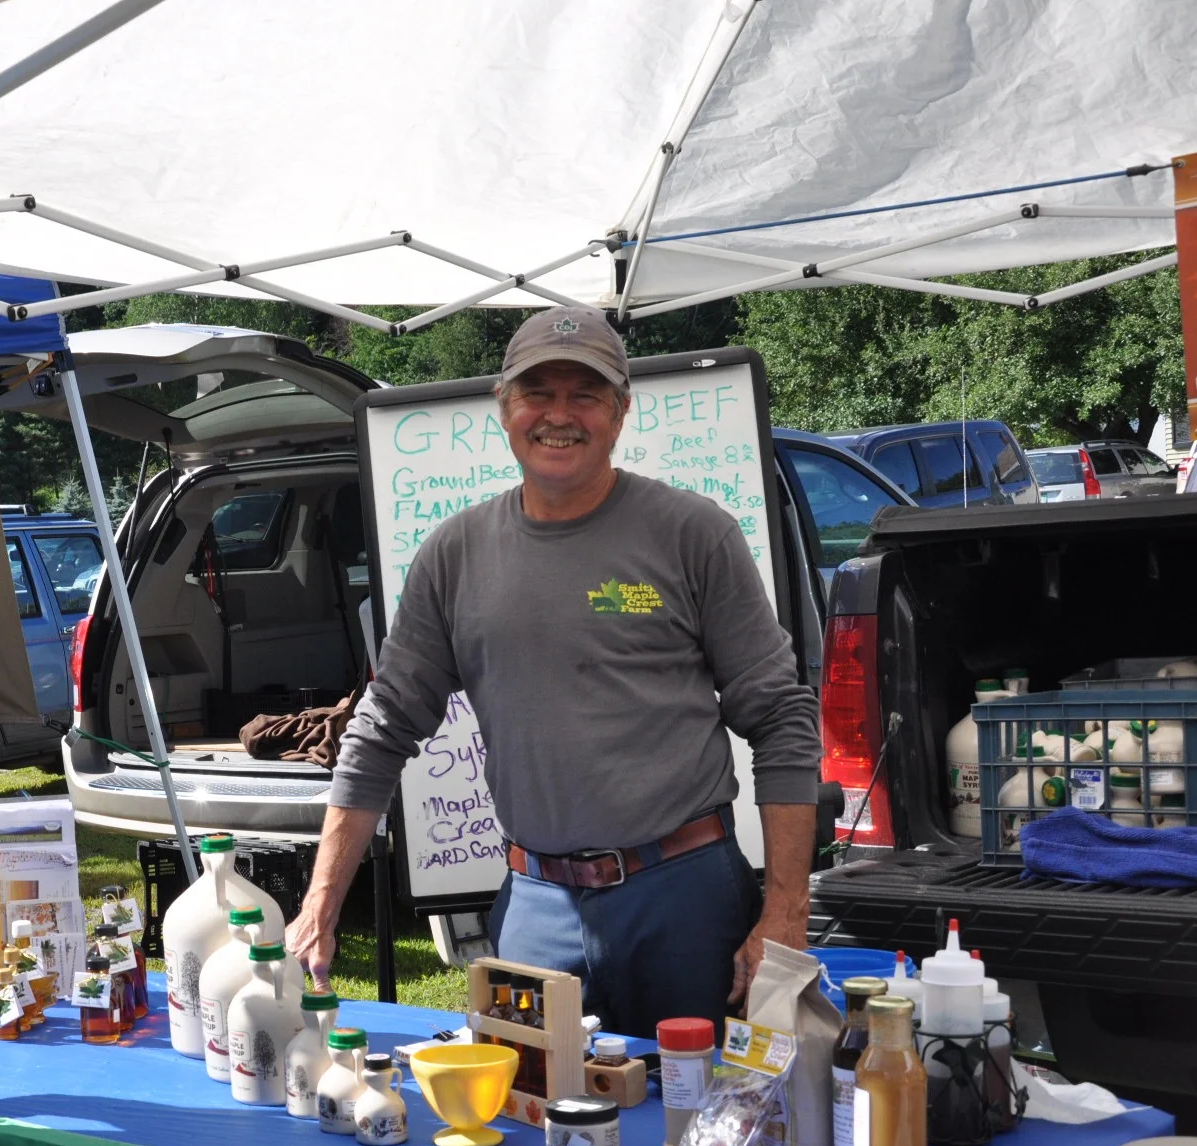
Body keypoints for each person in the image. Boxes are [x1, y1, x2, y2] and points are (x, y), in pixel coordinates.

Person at [289, 307, 821, 1038]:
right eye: (538, 392)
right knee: (533, 1122)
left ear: (621, 411)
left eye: (586, 394)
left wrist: (785, 912)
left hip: (684, 900)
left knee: (703, 1126)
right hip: (535, 907)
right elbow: (381, 732)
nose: (559, 416)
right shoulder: (454, 554)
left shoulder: (694, 533)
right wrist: (319, 906)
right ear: (504, 408)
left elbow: (782, 719)